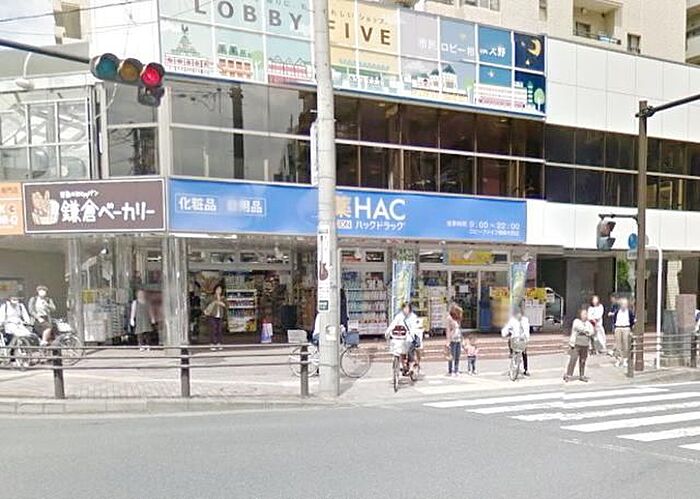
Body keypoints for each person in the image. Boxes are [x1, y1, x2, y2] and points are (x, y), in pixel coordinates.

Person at [385, 302, 420, 373]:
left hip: (410, 337)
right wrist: (387, 332)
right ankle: (402, 365)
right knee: (399, 349)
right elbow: (393, 325)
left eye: (407, 308)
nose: (406, 309)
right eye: (404, 308)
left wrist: (412, 334)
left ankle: (411, 366)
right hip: (401, 337)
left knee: (410, 350)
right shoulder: (399, 316)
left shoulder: (413, 317)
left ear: (410, 308)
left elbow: (415, 327)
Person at [565, 308, 594, 382]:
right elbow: (579, 327)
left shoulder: (588, 323)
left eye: (586, 314)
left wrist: (587, 332)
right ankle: (568, 375)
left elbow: (591, 331)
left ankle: (582, 375)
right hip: (576, 344)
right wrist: (586, 331)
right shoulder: (576, 321)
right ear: (580, 314)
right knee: (573, 359)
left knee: (583, 360)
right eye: (584, 314)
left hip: (585, 344)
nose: (585, 315)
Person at [501, 307, 531, 376]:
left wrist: (526, 339)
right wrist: (504, 334)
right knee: (510, 341)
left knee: (524, 353)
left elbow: (527, 330)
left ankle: (526, 369)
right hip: (515, 338)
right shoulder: (512, 320)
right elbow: (506, 328)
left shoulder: (525, 320)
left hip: (522, 339)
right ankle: (511, 353)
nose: (518, 315)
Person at [613, 297, 635, 368]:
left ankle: (625, 359)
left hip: (626, 328)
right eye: (622, 304)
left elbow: (632, 321)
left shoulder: (629, 312)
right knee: (618, 345)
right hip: (618, 327)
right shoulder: (617, 311)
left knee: (626, 344)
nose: (624, 305)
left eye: (625, 304)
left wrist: (631, 329)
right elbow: (614, 319)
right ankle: (619, 359)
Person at [204, 285, 227, 351]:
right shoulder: (211, 297)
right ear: (215, 290)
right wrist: (205, 310)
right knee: (213, 329)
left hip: (220, 316)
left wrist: (221, 303)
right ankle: (212, 343)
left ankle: (219, 343)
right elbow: (205, 304)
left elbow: (226, 306)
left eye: (220, 289)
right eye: (218, 289)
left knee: (219, 330)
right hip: (212, 315)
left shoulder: (223, 298)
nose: (219, 291)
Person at [445, 303, 463, 376]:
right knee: (451, 356)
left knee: (457, 356)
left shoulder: (458, 317)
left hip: (458, 338)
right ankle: (450, 370)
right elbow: (448, 330)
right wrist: (448, 341)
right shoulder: (449, 318)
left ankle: (456, 370)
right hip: (452, 339)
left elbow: (459, 329)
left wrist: (462, 339)